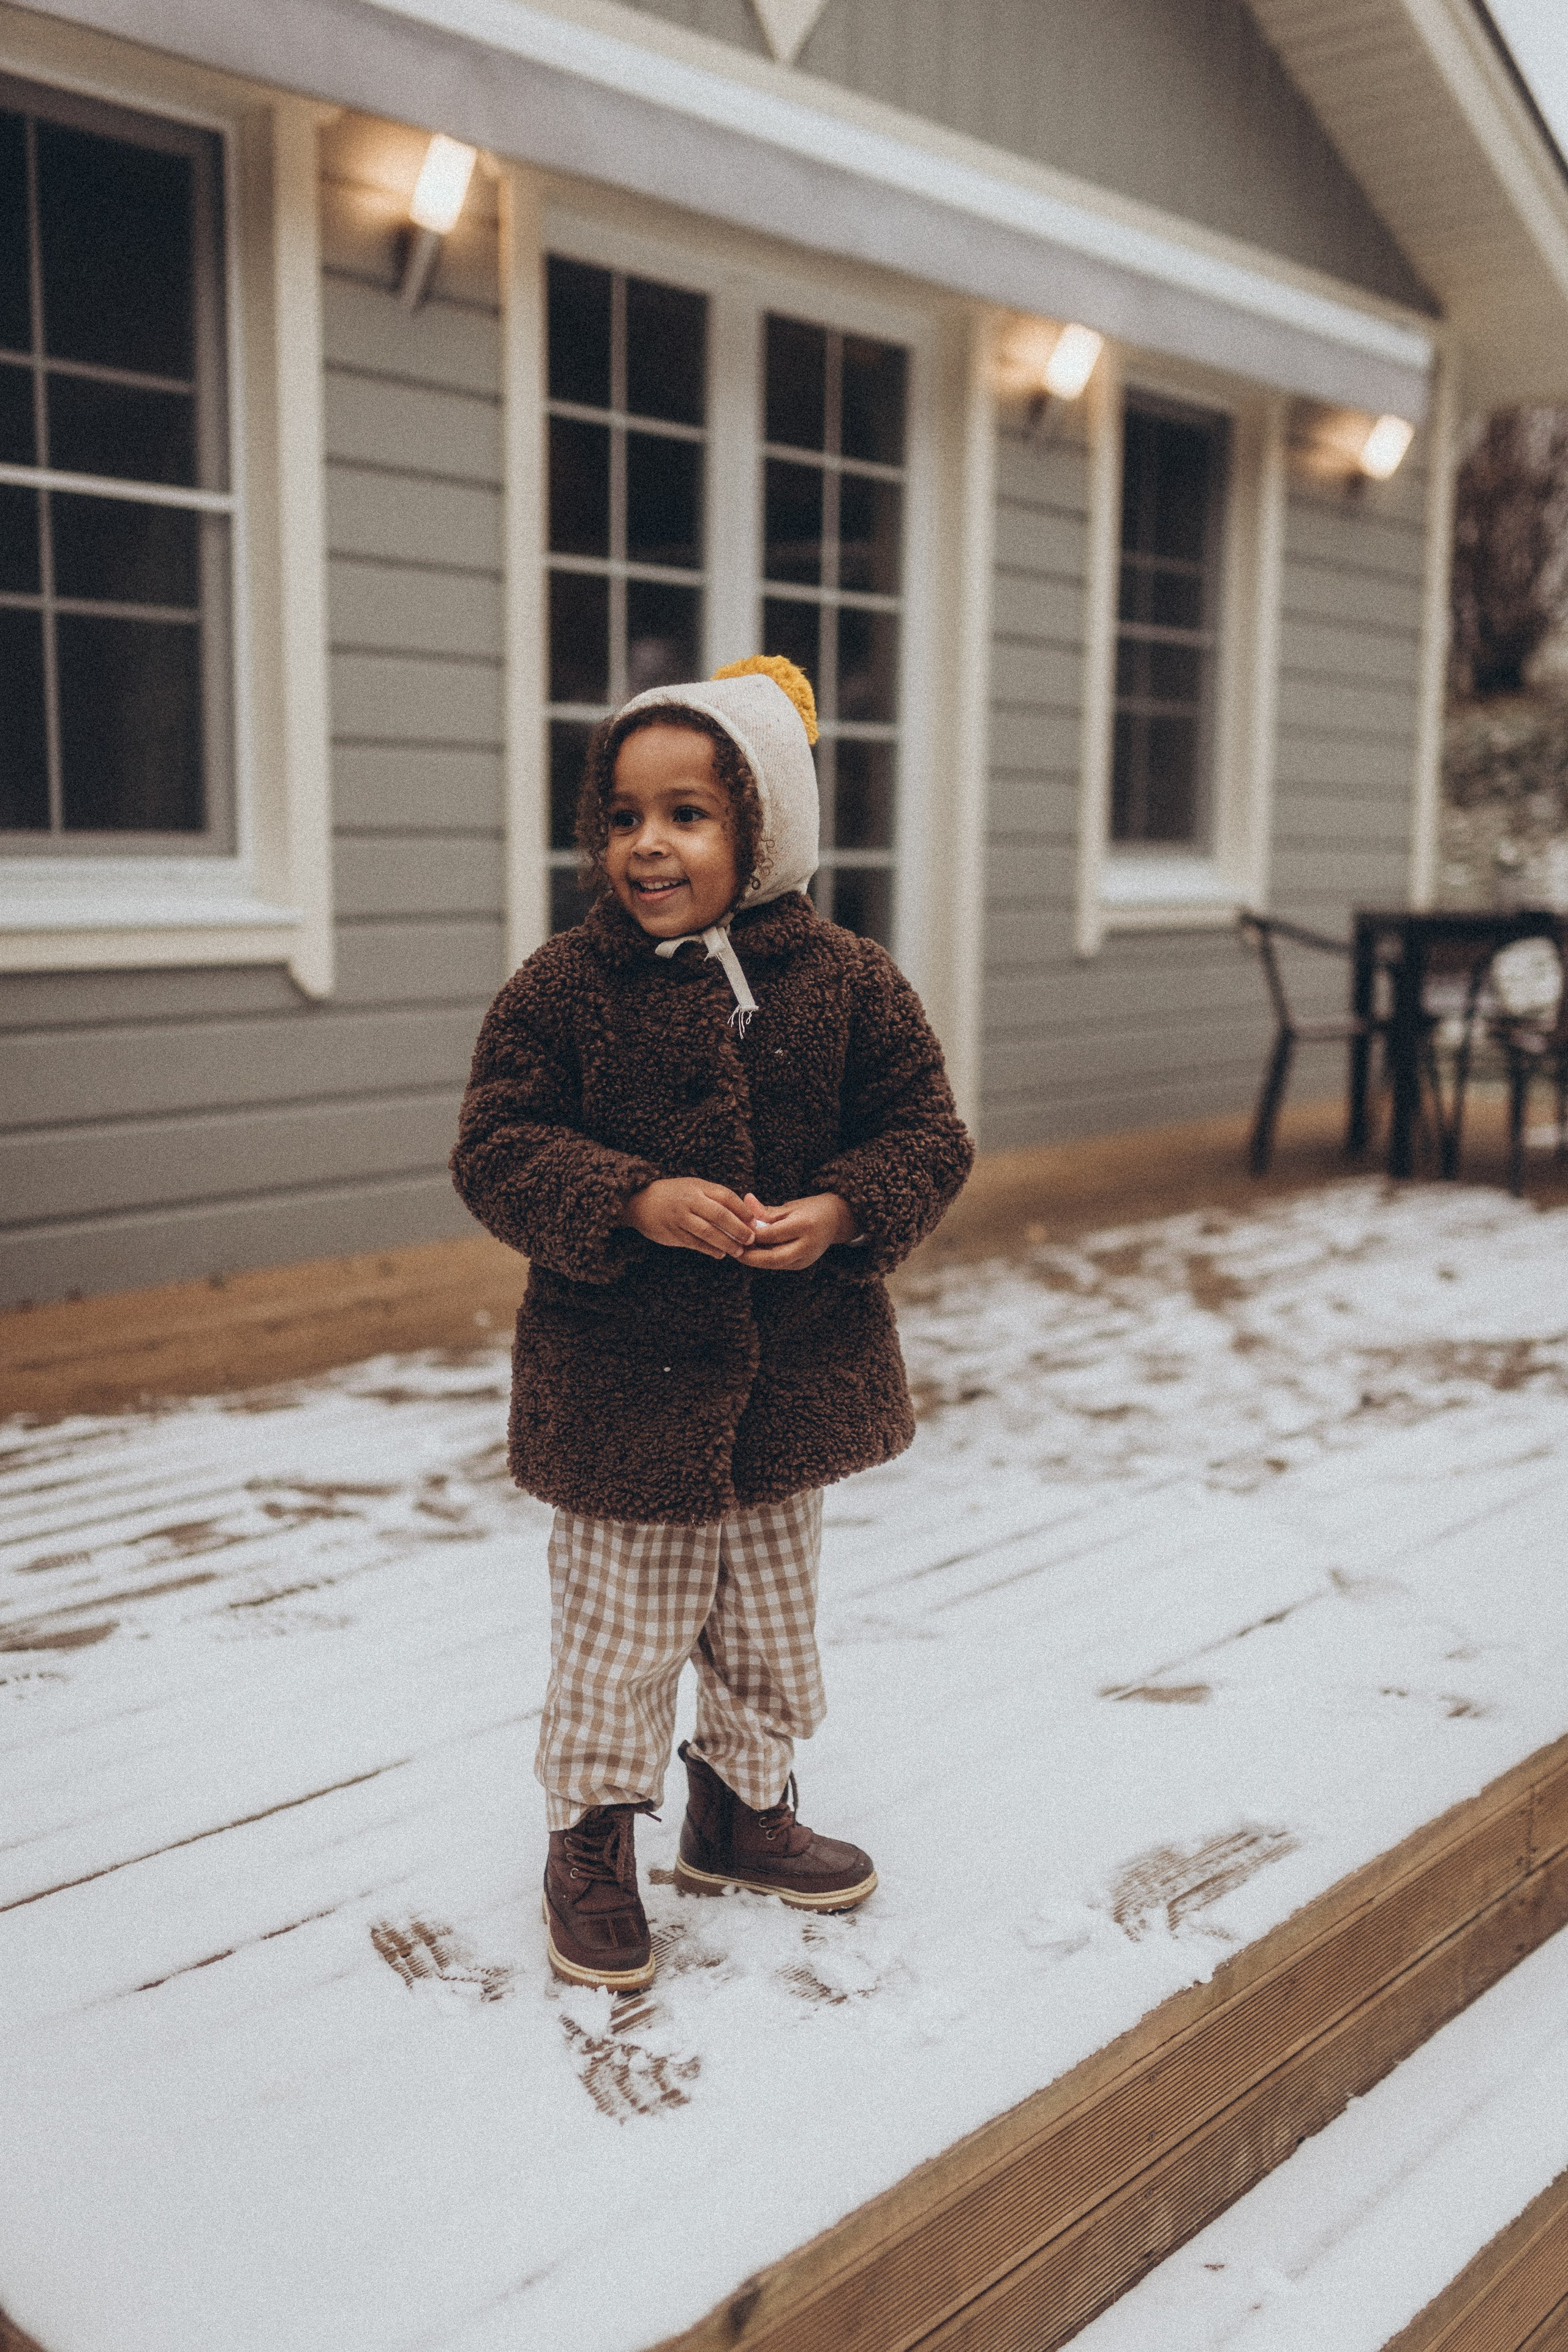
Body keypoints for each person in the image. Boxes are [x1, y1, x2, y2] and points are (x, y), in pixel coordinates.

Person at [451, 655, 973, 1991]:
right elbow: (498, 1146)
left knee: (766, 1625)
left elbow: (926, 1131)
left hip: (792, 1382)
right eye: (623, 816)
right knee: (618, 1637)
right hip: (619, 1389)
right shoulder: (564, 989)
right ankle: (589, 1840)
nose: (648, 844)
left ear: (766, 824)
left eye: (687, 814)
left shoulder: (846, 981)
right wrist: (630, 1198)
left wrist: (844, 1210)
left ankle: (740, 1811)